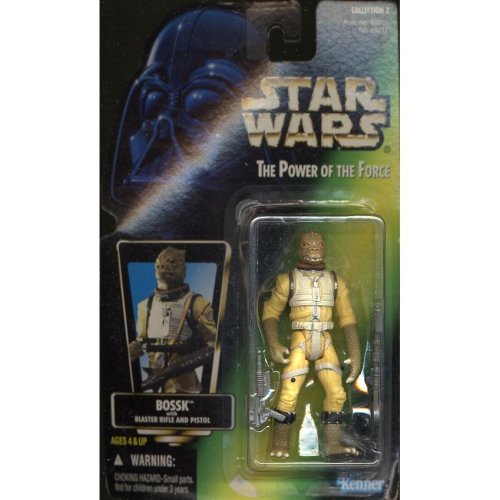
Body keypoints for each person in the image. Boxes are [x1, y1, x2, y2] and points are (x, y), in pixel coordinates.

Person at [261, 232, 361, 457]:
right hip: (300, 340)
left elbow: (347, 318)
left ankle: (333, 444)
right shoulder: (288, 280)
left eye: (319, 245)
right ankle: (279, 444)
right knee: (288, 393)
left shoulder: (335, 281)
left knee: (337, 393)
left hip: (325, 341)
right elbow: (271, 313)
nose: (314, 249)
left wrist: (355, 353)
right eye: (308, 245)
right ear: (300, 248)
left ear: (324, 247)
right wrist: (274, 343)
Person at [129, 247, 216, 393]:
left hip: (185, 388)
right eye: (161, 264)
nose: (164, 267)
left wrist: (171, 370)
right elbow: (141, 342)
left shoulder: (197, 304)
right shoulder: (145, 306)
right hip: (154, 387)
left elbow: (214, 346)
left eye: (172, 263)